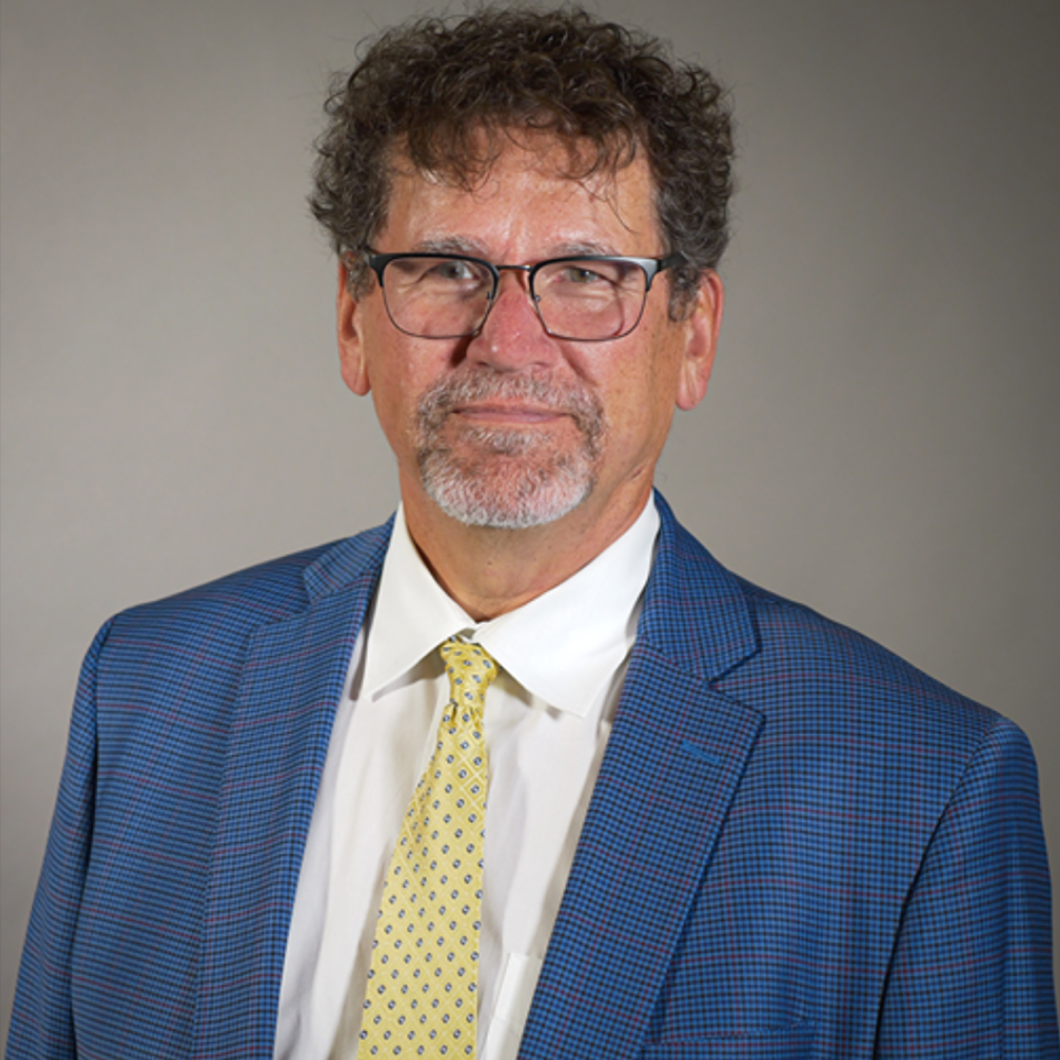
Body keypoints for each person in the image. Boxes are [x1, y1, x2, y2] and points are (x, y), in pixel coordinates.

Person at [7, 6, 1057, 1059]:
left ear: (693, 336)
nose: (508, 343)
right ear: (351, 320)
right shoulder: (147, 689)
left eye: (587, 275)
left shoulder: (922, 788)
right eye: (445, 267)